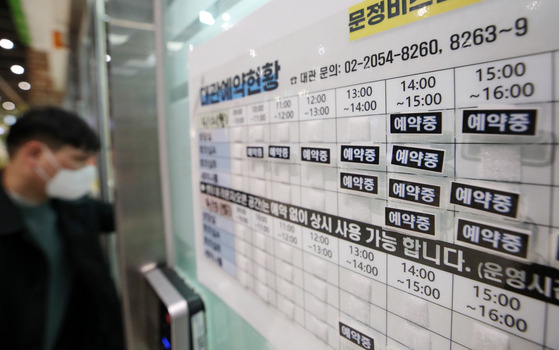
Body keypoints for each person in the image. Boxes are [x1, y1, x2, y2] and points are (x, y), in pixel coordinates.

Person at [0, 106, 124, 350]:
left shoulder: (74, 208)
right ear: (34, 154)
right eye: (78, 160)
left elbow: (127, 217)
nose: (88, 170)